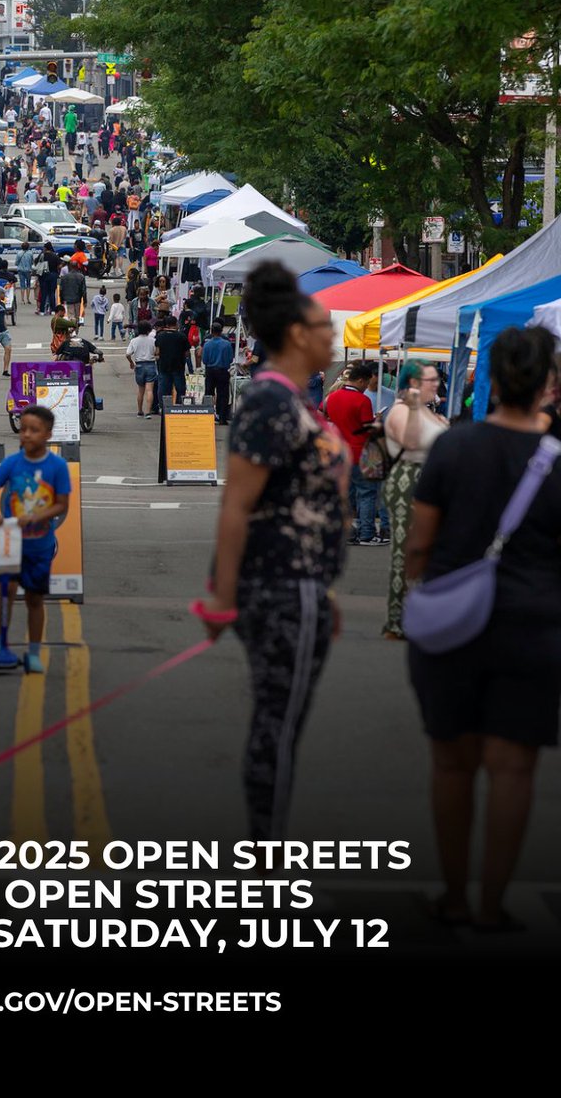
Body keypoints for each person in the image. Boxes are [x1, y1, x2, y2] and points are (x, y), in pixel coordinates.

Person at [405, 326, 561, 930]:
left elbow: (419, 545)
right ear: (549, 384)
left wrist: (424, 597)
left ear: (491, 379)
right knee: (513, 769)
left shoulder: (455, 448)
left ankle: (453, 895)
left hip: (453, 624)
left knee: (452, 764)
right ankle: (493, 902)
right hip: (534, 625)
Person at [194, 262, 348, 841]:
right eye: (323, 326)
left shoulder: (296, 402)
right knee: (277, 728)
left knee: (282, 723)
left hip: (302, 584)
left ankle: (269, 848)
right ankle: (268, 859)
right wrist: (222, 597)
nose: (331, 337)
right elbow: (238, 503)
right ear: (294, 335)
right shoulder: (270, 402)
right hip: (278, 584)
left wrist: (324, 587)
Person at [0, 405, 71, 676]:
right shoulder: (12, 463)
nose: (26, 435)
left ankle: (33, 652)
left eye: (34, 430)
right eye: (23, 429)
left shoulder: (57, 466)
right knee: (4, 593)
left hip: (40, 544)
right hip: (10, 541)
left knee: (34, 598)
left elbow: (62, 504)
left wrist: (37, 516)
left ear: (48, 434)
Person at [382, 361, 448, 639]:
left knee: (430, 549)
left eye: (435, 380)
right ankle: (397, 620)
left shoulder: (429, 411)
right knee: (404, 549)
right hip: (408, 479)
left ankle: (420, 615)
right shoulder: (401, 410)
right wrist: (410, 409)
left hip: (431, 480)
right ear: (413, 384)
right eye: (429, 380)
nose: (435, 384)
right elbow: (409, 443)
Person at [324, 362, 384, 546]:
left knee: (347, 494)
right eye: (366, 383)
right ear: (360, 380)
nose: (367, 387)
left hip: (340, 453)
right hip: (361, 452)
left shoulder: (332, 397)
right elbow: (368, 429)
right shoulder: (362, 400)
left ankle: (348, 532)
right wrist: (378, 421)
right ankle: (367, 533)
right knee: (366, 493)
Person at [202, 321, 234, 425]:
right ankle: (222, 417)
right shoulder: (227, 344)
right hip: (223, 370)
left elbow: (204, 360)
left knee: (209, 393)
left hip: (210, 371)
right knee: (223, 395)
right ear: (221, 331)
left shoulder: (207, 344)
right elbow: (230, 359)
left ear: (211, 331)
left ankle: (208, 415)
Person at [155, 316, 192, 403]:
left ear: (166, 325)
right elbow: (187, 353)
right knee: (180, 388)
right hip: (178, 366)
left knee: (164, 388)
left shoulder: (160, 336)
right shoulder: (181, 336)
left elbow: (157, 352)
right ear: (176, 324)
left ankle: (164, 406)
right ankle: (179, 405)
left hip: (164, 366)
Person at [126, 319, 158, 418]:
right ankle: (148, 411)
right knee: (149, 390)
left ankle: (140, 411)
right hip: (151, 364)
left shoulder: (134, 341)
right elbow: (157, 353)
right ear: (149, 330)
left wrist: (131, 362)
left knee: (141, 390)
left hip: (139, 365)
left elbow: (127, 354)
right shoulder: (153, 341)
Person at [59, 260, 86, 326]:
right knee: (77, 315)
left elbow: (61, 289)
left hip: (68, 299)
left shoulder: (64, 277)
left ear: (69, 267)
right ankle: (75, 330)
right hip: (77, 299)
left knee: (71, 314)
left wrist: (61, 299)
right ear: (77, 267)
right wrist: (85, 300)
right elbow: (83, 290)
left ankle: (72, 329)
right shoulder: (81, 277)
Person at [15, 242, 35, 307]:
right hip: (28, 270)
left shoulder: (19, 253)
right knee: (28, 284)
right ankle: (28, 299)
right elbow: (32, 262)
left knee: (22, 284)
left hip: (20, 270)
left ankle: (22, 299)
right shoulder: (30, 253)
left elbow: (16, 262)